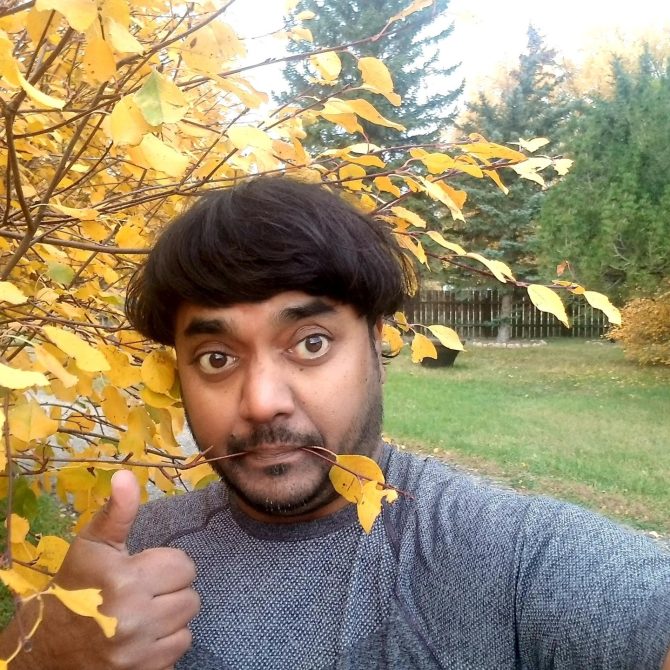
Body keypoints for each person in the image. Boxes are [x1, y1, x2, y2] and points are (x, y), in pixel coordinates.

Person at [1, 176, 669, 669]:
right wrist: (40, 655)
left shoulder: (508, 553)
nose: (262, 401)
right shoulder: (125, 568)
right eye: (215, 356)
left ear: (377, 340)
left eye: (311, 342)